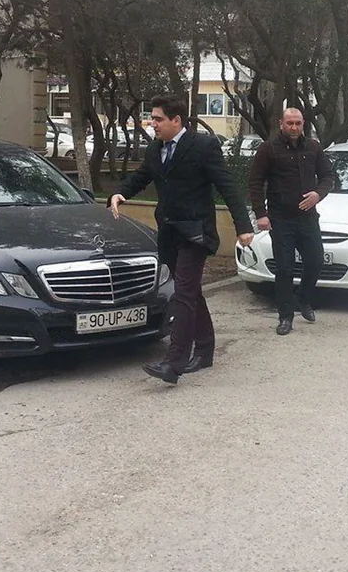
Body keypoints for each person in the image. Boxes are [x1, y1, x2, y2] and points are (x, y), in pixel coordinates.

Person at [109, 94, 254, 385]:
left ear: (176, 120)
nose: (153, 124)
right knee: (191, 292)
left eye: (158, 119)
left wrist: (243, 226)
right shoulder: (156, 149)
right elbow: (142, 176)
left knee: (183, 293)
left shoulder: (203, 146)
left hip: (196, 232)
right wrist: (121, 193)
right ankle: (205, 348)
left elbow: (227, 186)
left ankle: (173, 362)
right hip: (169, 232)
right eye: (152, 118)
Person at [248, 107, 335, 336]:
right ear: (281, 124)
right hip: (281, 219)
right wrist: (261, 214)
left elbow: (328, 176)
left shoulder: (313, 147)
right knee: (284, 269)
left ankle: (303, 298)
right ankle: (285, 317)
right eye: (290, 123)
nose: (294, 127)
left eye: (298, 123)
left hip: (308, 218)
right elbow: (255, 182)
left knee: (315, 261)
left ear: (303, 124)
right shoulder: (268, 149)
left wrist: (318, 194)